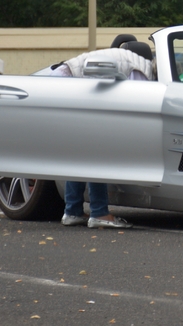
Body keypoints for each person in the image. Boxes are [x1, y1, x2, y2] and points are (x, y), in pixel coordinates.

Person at [52, 43, 154, 229]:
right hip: (71, 85)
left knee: (80, 151)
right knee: (96, 148)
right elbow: (139, 105)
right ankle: (100, 213)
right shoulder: (142, 69)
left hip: (61, 85)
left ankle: (72, 212)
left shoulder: (121, 57)